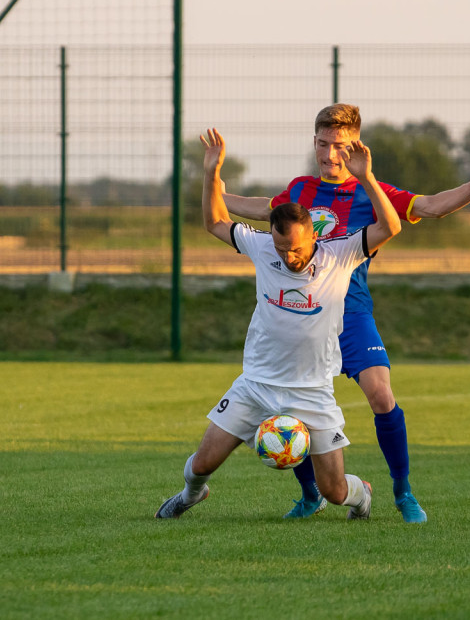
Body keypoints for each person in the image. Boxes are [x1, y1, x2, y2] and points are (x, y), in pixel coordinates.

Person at [222, 104, 470, 523]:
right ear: (315, 142)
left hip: (352, 312)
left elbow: (431, 206)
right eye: (323, 143)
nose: (329, 154)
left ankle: (403, 492)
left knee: (381, 395)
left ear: (355, 145)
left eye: (339, 145)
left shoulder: (371, 191)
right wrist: (215, 192)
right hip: (303, 315)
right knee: (290, 410)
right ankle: (310, 494)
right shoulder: (300, 189)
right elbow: (264, 209)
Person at [155, 127, 402, 520]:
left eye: (297, 249)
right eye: (281, 248)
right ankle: (189, 495)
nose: (289, 257)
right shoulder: (262, 247)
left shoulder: (340, 255)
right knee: (201, 464)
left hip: (312, 391)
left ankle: (363, 495)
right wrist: (211, 174)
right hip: (256, 384)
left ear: (314, 237)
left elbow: (390, 228)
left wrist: (368, 178)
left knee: (334, 491)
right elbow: (215, 222)